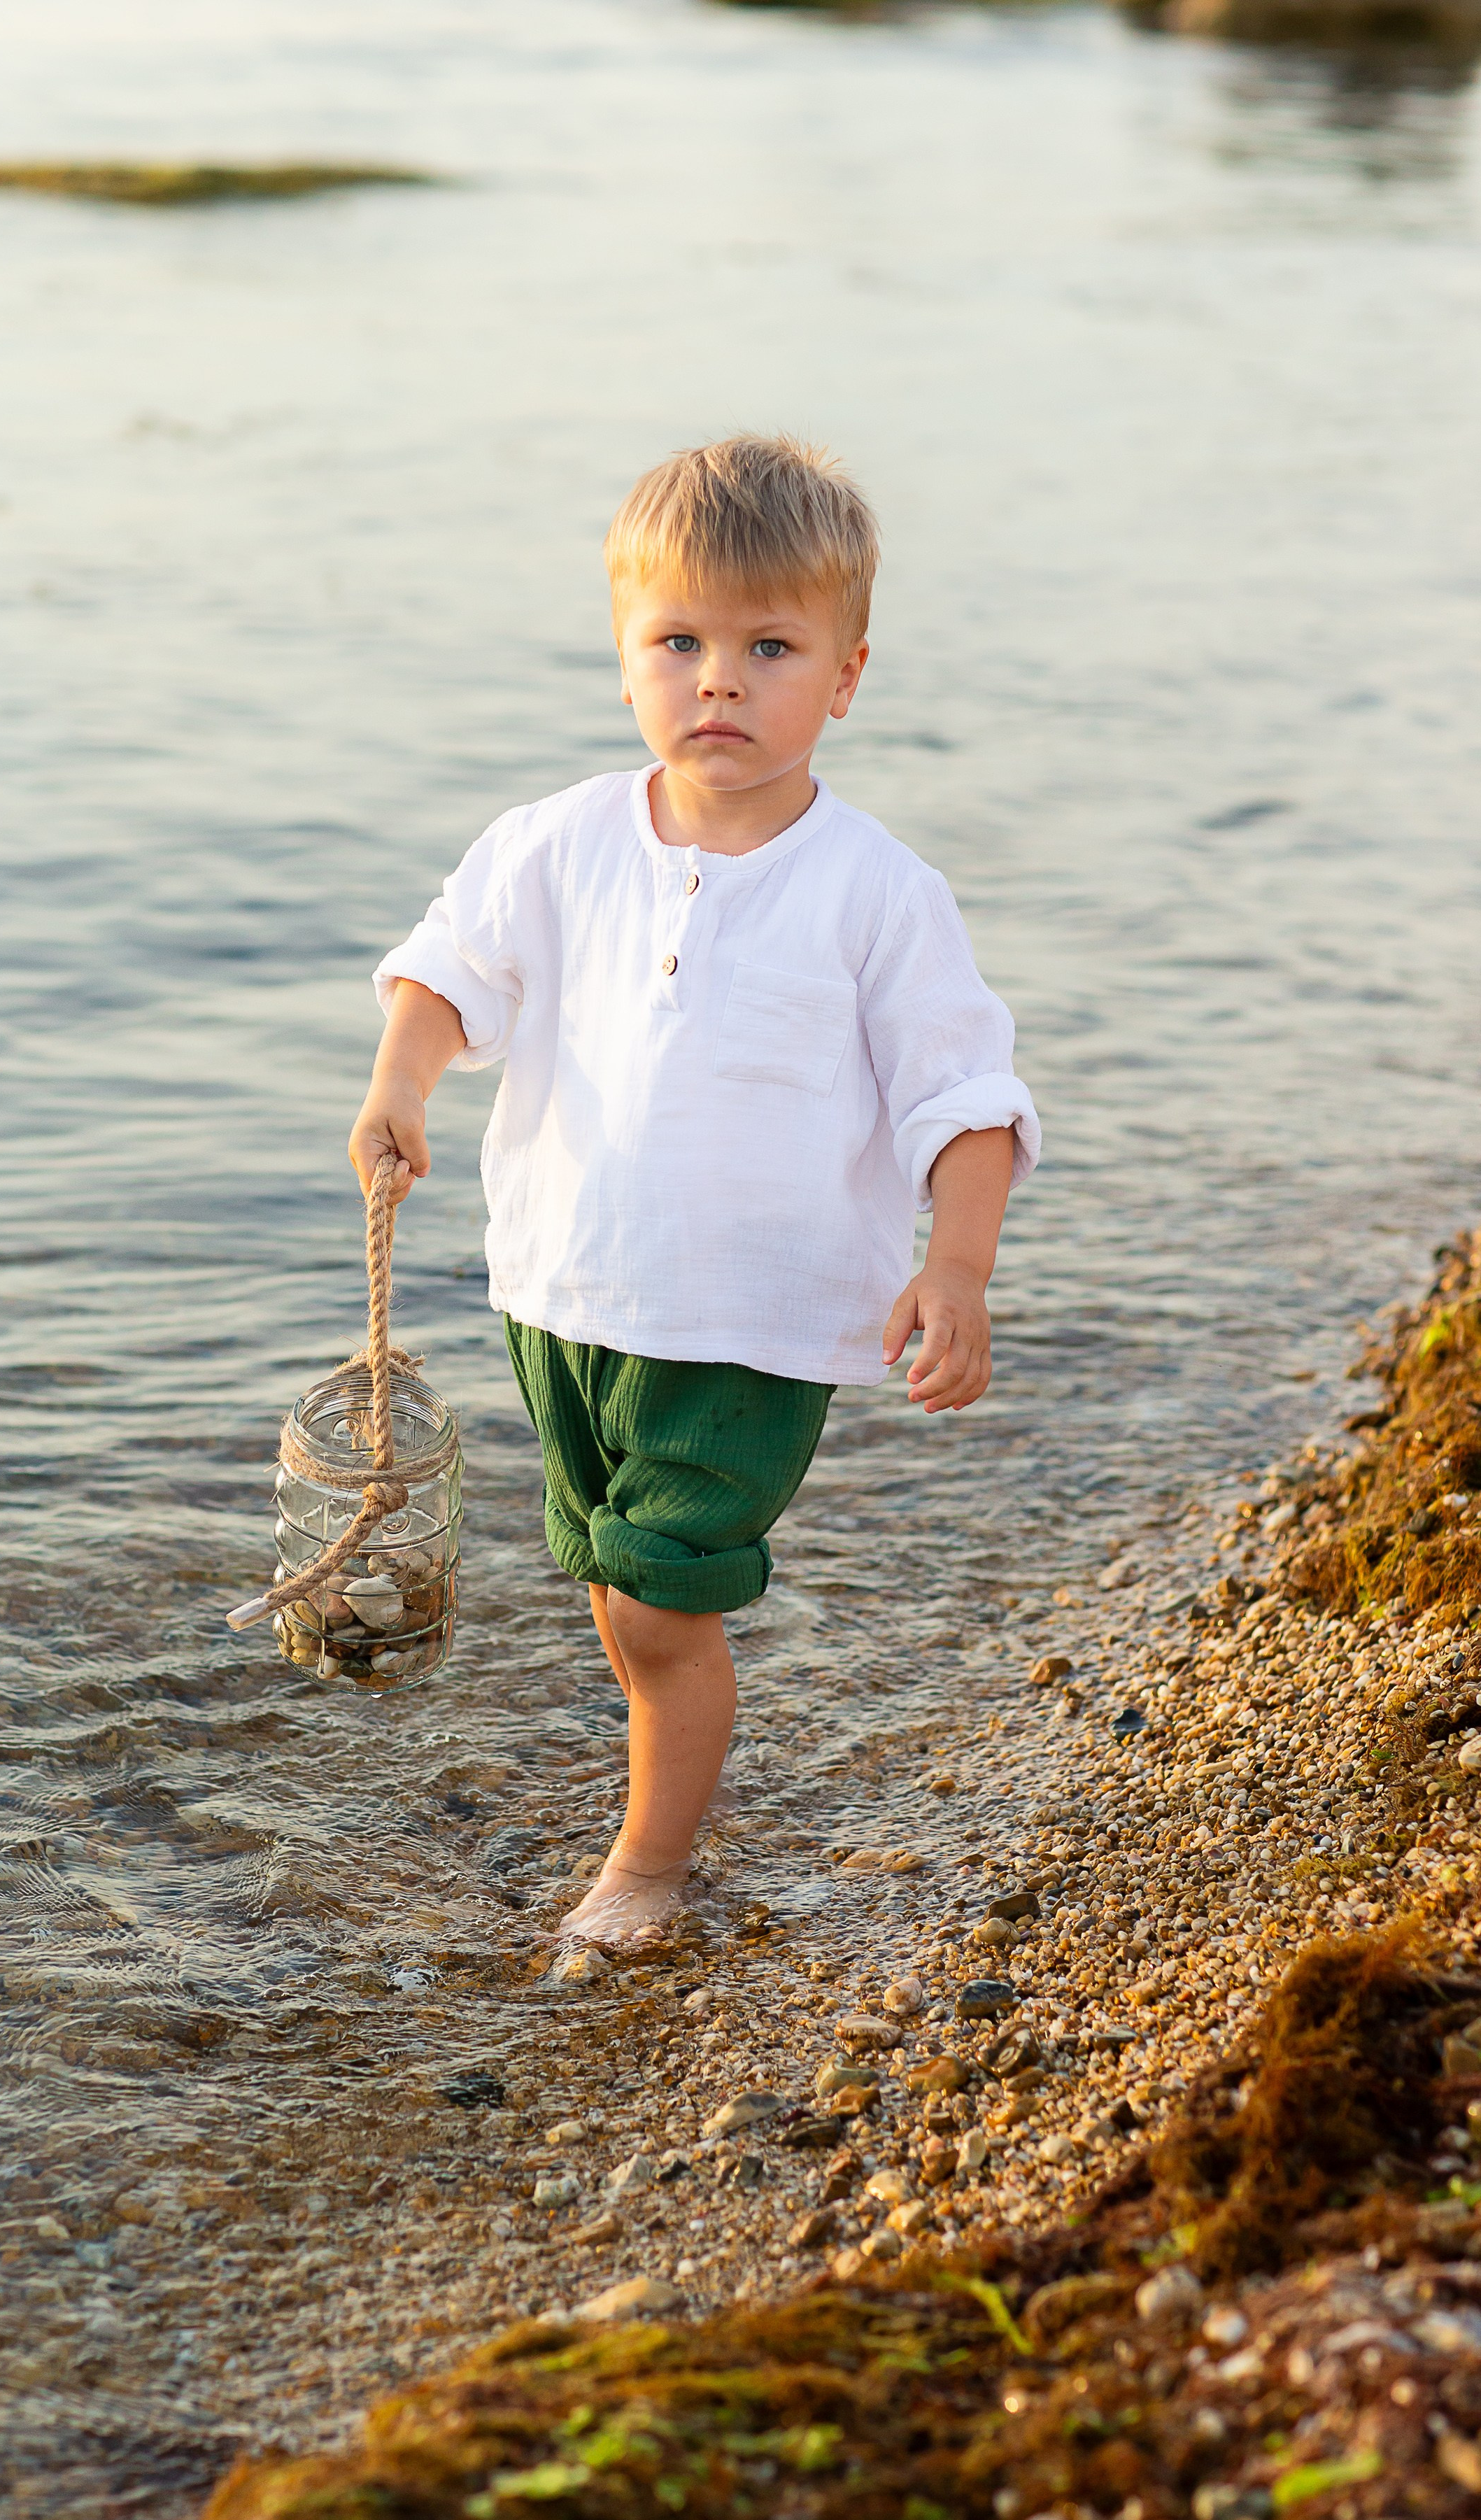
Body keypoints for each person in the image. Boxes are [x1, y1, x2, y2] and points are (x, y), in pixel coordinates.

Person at [350, 435, 1040, 1948]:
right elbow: (452, 967)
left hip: (746, 1326)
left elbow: (963, 1098)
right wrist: (404, 1080)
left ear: (845, 676)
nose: (717, 680)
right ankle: (663, 1782)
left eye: (768, 648)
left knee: (663, 1601)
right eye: (678, 642)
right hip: (564, 1295)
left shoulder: (875, 890)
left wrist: (957, 1268)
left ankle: (647, 1870)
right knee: (615, 1586)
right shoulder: (556, 844)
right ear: (623, 660)